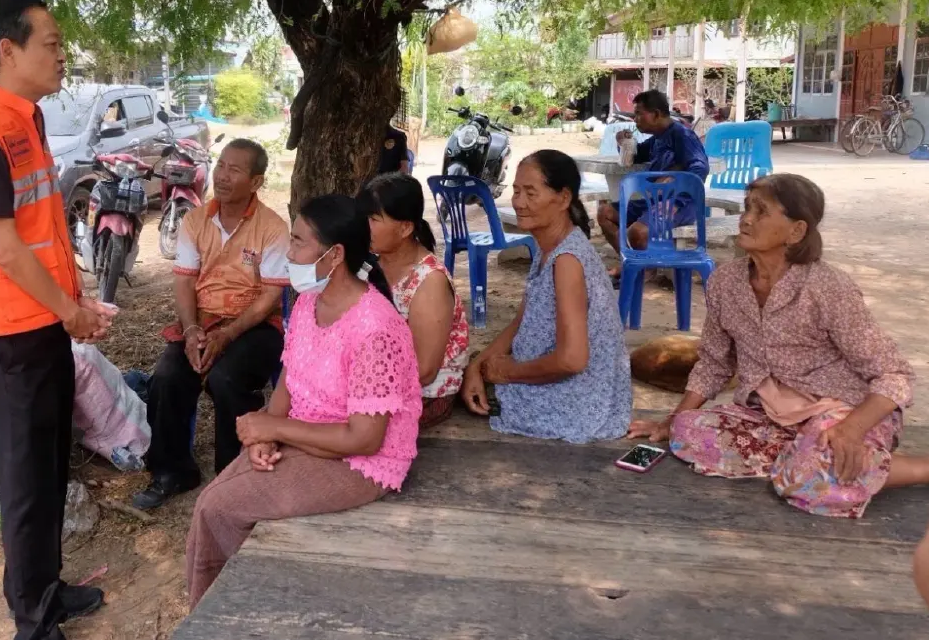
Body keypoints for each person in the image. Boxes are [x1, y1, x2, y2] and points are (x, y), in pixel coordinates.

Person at [0, 0, 115, 640]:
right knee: (24, 474)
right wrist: (73, 312)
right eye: (52, 42)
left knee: (48, 461)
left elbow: (41, 231)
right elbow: (5, 248)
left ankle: (44, 587)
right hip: (7, 332)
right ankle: (31, 620)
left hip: (39, 321)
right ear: (8, 50)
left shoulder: (26, 118)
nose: (62, 54)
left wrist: (72, 304)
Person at [628, 174, 929, 518]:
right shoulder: (726, 282)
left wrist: (851, 429)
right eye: (747, 209)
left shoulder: (827, 287)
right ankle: (811, 456)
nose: (746, 219)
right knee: (687, 433)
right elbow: (714, 362)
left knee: (806, 481)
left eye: (761, 211)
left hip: (844, 410)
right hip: (773, 417)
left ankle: (922, 467)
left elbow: (895, 375)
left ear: (796, 231)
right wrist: (673, 418)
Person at [185, 194, 421, 607]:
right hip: (307, 438)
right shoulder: (310, 301)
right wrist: (265, 437)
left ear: (334, 255)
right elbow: (290, 383)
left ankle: (221, 613)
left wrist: (273, 427)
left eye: (296, 242)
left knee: (216, 507)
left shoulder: (374, 328)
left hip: (360, 462)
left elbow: (365, 439)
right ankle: (221, 608)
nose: (287, 252)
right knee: (216, 499)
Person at [132, 138, 290, 510]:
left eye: (235, 169)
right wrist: (190, 331)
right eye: (221, 165)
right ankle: (173, 471)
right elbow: (185, 281)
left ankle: (233, 473)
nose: (222, 175)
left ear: (255, 182)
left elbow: (270, 296)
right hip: (203, 321)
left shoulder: (272, 227)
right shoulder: (195, 219)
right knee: (169, 375)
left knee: (227, 378)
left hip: (255, 324)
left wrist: (229, 333)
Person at [461, 151, 632, 442]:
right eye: (516, 191)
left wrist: (509, 372)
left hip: (576, 402)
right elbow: (522, 321)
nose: (518, 202)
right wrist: (478, 366)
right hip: (560, 384)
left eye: (530, 192)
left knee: (451, 388)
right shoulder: (548, 247)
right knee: (468, 371)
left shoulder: (567, 260)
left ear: (563, 199)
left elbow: (572, 361)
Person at [359, 173, 467, 428]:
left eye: (373, 219)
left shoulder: (429, 282)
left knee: (343, 425)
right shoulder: (369, 264)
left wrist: (359, 387)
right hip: (375, 379)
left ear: (405, 228)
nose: (363, 226)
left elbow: (425, 371)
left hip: (423, 393)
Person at [596, 89, 709, 284]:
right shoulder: (658, 138)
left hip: (680, 205)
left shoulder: (682, 135)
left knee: (637, 232)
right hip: (654, 200)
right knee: (605, 213)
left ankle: (641, 269)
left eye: (640, 113)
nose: (636, 119)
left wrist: (675, 198)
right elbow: (637, 154)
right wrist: (624, 142)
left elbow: (700, 167)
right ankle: (635, 264)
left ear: (656, 114)